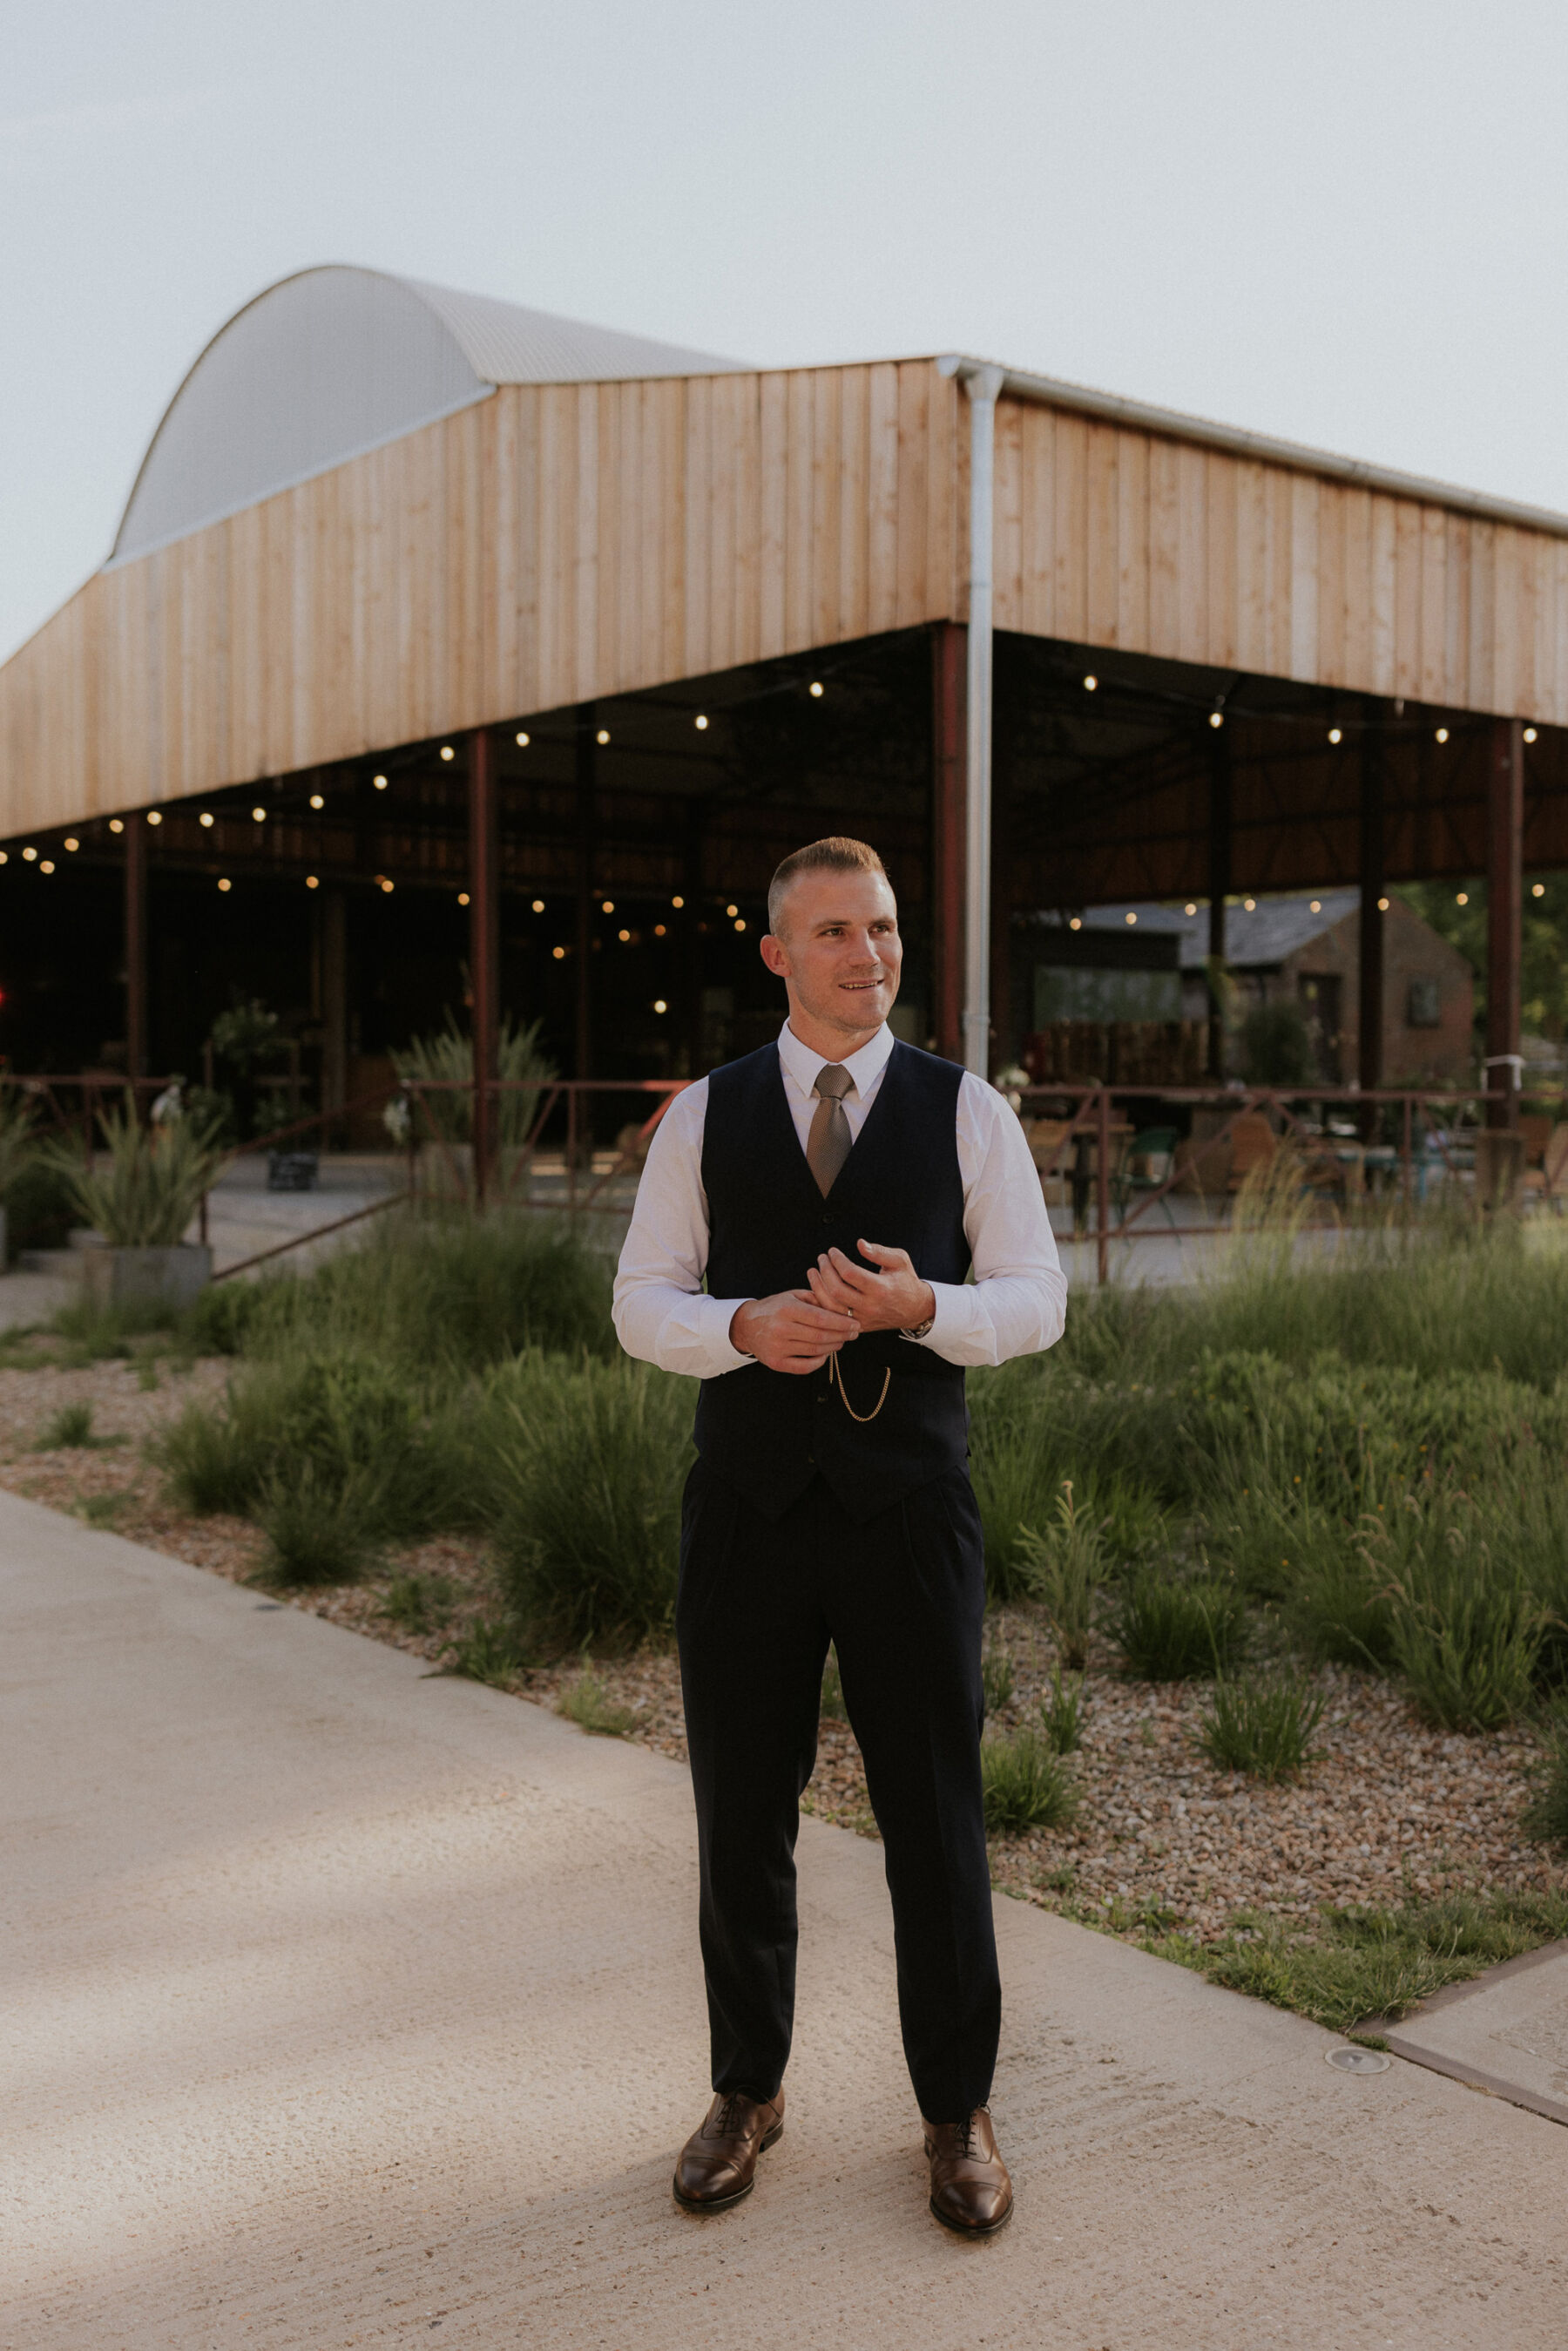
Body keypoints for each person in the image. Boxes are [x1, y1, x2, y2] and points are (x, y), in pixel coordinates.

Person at [612, 836, 1066, 2236]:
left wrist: (921, 1307)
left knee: (934, 1819)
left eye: (880, 927)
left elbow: (1040, 1296)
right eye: (833, 932)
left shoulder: (966, 1110)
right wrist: (742, 1326)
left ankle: (957, 2112)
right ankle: (747, 2089)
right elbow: (641, 1299)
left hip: (908, 1518)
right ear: (775, 953)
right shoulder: (705, 1114)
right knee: (739, 1812)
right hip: (745, 1512)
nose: (867, 954)